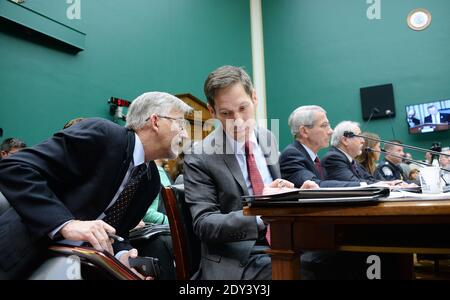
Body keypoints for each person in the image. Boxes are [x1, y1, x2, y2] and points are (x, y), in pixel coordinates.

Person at [0, 92, 191, 279]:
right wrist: (65, 224)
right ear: (155, 121)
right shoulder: (104, 134)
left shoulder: (150, 181)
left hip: (74, 266)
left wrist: (122, 256)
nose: (184, 133)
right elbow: (14, 167)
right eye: (180, 123)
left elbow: (116, 231)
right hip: (19, 254)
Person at [184, 65, 317, 280]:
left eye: (243, 108)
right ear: (212, 111)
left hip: (284, 242)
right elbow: (204, 224)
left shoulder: (267, 138)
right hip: (237, 259)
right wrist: (261, 212)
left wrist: (299, 195)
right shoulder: (199, 155)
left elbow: (276, 192)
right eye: (226, 113)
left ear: (254, 98)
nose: (237, 120)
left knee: (343, 258)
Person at [280, 105, 360, 187]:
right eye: (324, 125)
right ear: (304, 131)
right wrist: (361, 185)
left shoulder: (313, 158)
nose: (331, 131)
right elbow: (314, 185)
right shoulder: (291, 155)